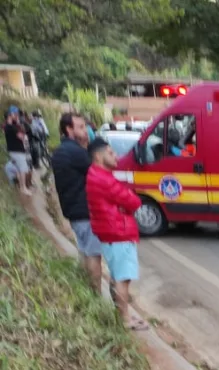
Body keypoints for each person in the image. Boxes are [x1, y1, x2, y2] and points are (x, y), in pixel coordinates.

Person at [86, 137, 148, 331]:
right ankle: (124, 319)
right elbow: (133, 202)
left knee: (117, 276)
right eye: (111, 153)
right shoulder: (104, 179)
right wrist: (129, 201)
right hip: (118, 233)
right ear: (98, 156)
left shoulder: (94, 175)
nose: (116, 157)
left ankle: (122, 314)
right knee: (123, 279)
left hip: (110, 233)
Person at [52, 112, 105, 295]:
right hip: (86, 212)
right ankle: (96, 295)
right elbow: (99, 173)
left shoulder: (59, 152)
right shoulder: (77, 153)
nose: (85, 131)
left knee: (84, 253)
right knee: (93, 255)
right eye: (81, 127)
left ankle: (87, 295)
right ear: (69, 129)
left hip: (73, 212)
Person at [4, 106, 32, 196]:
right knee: (23, 170)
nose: (17, 116)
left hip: (13, 151)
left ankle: (20, 185)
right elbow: (22, 137)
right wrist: (21, 128)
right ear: (11, 115)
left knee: (20, 169)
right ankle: (23, 188)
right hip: (17, 151)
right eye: (15, 114)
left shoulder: (7, 126)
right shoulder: (12, 127)